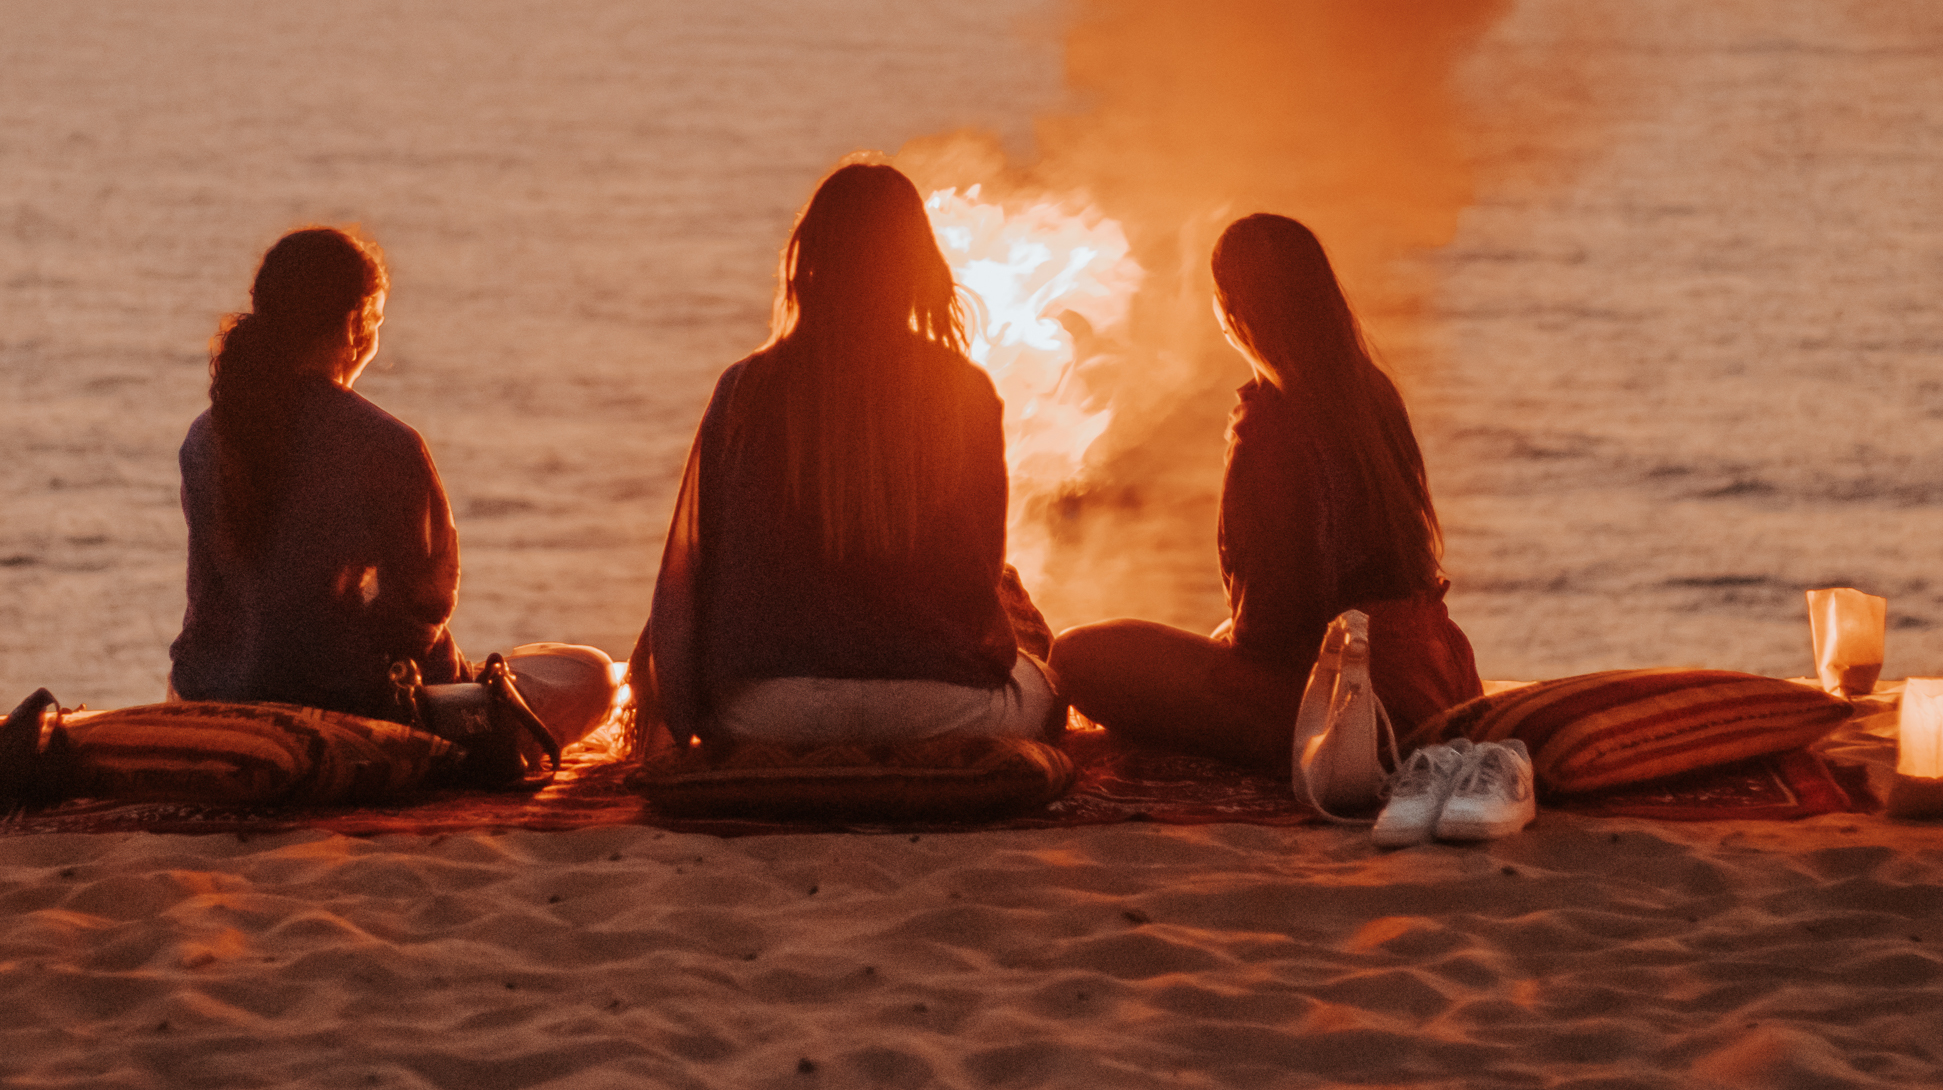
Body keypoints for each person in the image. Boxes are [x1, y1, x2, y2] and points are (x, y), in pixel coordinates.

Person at [626, 161, 1058, 754]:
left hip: (763, 715)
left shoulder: (745, 387)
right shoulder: (967, 389)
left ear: (808, 264)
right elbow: (981, 570)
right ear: (916, 268)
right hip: (937, 711)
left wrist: (678, 700)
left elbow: (692, 571)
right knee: (1047, 679)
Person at [1051, 212, 1480, 774]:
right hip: (1432, 672)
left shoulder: (1267, 427)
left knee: (1079, 656)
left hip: (1348, 697)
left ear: (1232, 311)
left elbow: (1270, 636)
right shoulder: (1372, 392)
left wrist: (1227, 648)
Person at [169, 226, 616, 748]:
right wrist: (462, 690)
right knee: (591, 672)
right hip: (356, 711)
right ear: (356, 322)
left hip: (221, 699)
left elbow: (208, 602)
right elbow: (419, 616)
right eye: (376, 321)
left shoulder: (207, 436)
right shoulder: (388, 444)